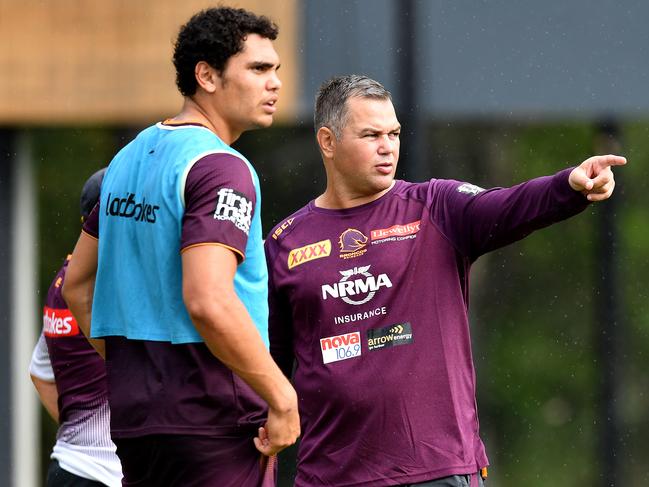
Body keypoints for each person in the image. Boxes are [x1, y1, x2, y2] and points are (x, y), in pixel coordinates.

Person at [264, 74, 626, 487]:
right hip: (332, 477)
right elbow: (265, 369)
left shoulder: (435, 206)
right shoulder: (284, 243)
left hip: (438, 471)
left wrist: (567, 186)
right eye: (370, 135)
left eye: (394, 133)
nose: (387, 147)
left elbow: (507, 205)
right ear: (327, 142)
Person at [62, 7, 299, 486]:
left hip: (136, 418)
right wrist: (282, 397)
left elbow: (77, 286)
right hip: (213, 421)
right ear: (206, 75)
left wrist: (142, 371)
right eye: (258, 69)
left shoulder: (126, 159)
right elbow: (208, 299)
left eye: (276, 69)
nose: (274, 83)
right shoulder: (221, 168)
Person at [29, 168, 122, 487]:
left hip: (68, 466)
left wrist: (80, 438)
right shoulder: (111, 279)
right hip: (107, 475)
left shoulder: (64, 282)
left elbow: (40, 373)